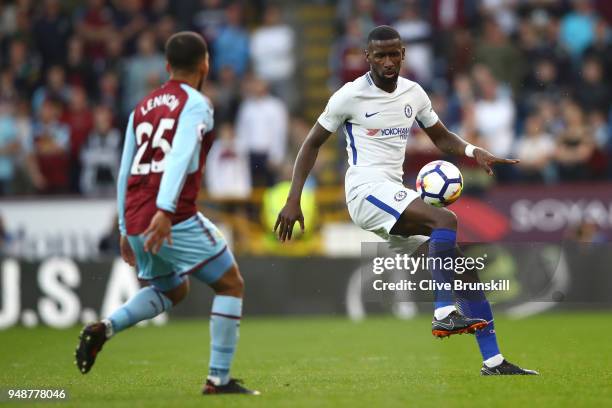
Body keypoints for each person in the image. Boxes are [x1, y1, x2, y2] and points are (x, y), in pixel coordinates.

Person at [275, 26, 538, 376]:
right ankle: (444, 314)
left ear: (403, 55)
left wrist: (475, 151)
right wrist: (294, 199)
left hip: (392, 191)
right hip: (364, 190)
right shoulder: (349, 96)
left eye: (393, 54)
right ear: (367, 57)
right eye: (379, 55)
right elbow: (310, 144)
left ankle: (494, 361)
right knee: (445, 221)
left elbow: (441, 137)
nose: (387, 61)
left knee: (466, 274)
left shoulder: (414, 93)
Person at [74, 31, 259, 395]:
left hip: (138, 217)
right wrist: (165, 210)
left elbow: (124, 168)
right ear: (205, 64)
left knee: (172, 289)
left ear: (166, 66)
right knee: (231, 284)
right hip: (170, 216)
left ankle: (105, 328)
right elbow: (179, 154)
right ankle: (218, 379)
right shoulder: (197, 103)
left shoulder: (141, 106)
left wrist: (126, 228)